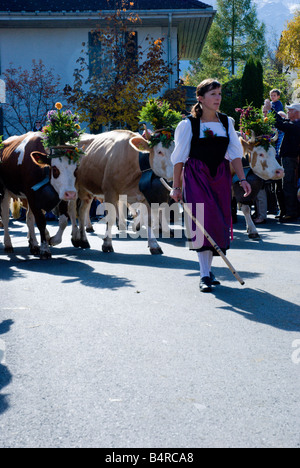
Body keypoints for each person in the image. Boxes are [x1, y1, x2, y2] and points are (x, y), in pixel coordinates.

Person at [170, 79, 251, 292]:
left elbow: (235, 154)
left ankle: (208, 271)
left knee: (217, 221)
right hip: (196, 175)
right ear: (200, 98)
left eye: (219, 94)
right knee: (202, 220)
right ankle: (204, 275)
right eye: (213, 94)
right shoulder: (188, 124)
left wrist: (242, 179)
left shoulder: (227, 122)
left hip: (220, 176)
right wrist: (176, 187)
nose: (218, 98)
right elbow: (178, 159)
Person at [264, 101, 300, 222]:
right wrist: (271, 110)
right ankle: (285, 211)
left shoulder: (297, 125)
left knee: (288, 185)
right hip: (286, 159)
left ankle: (291, 213)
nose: (288, 112)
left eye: (290, 110)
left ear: (297, 113)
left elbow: (279, 123)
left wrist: (270, 110)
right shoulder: (293, 123)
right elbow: (281, 121)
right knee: (282, 186)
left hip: (291, 159)